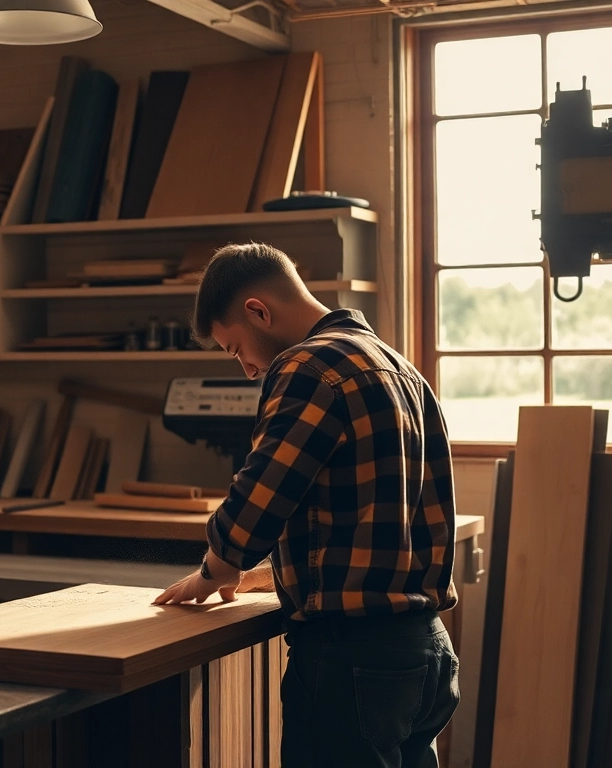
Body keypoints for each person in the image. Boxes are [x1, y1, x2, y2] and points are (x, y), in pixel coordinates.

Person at [154, 243, 459, 768]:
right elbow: (376, 519)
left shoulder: (309, 365)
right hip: (424, 652)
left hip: (352, 659)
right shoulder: (399, 367)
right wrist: (268, 576)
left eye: (235, 349)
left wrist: (215, 569)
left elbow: (261, 494)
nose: (248, 369)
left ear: (258, 311)